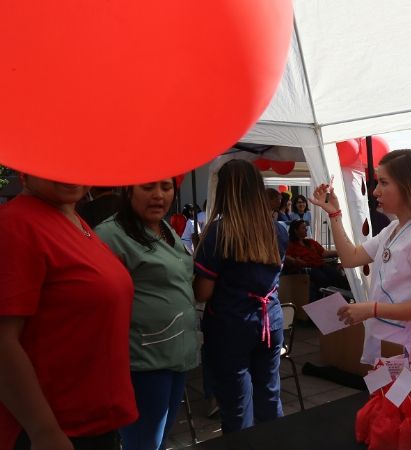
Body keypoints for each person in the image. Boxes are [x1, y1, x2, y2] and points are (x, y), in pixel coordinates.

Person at [0, 175, 137, 450]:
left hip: (94, 424)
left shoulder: (71, 218)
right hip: (56, 432)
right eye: (54, 158)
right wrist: (44, 432)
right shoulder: (16, 224)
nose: (69, 171)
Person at [309, 149, 411, 365]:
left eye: (383, 183)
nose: (375, 192)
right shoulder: (393, 229)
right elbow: (350, 257)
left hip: (410, 352)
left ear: (408, 186)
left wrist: (371, 309)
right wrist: (335, 214)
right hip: (387, 346)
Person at [95, 179, 199, 450]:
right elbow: (98, 302)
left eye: (166, 187)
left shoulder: (165, 227)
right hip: (144, 361)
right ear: (127, 190)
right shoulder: (110, 235)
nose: (158, 196)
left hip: (178, 353)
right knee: (144, 443)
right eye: (147, 187)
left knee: (160, 439)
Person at [193, 159, 289, 433]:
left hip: (230, 325)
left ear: (224, 192)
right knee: (270, 396)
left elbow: (203, 292)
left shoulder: (217, 233)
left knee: (237, 408)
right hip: (270, 321)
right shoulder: (279, 230)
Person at [285, 219, 349, 299]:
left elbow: (324, 253)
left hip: (320, 265)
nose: (306, 229)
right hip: (307, 268)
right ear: (295, 230)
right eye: (303, 228)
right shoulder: (291, 245)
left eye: (306, 227)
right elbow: (286, 256)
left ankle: (345, 297)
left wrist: (340, 252)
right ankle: (328, 299)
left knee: (337, 275)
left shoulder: (310, 242)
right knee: (324, 279)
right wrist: (294, 261)